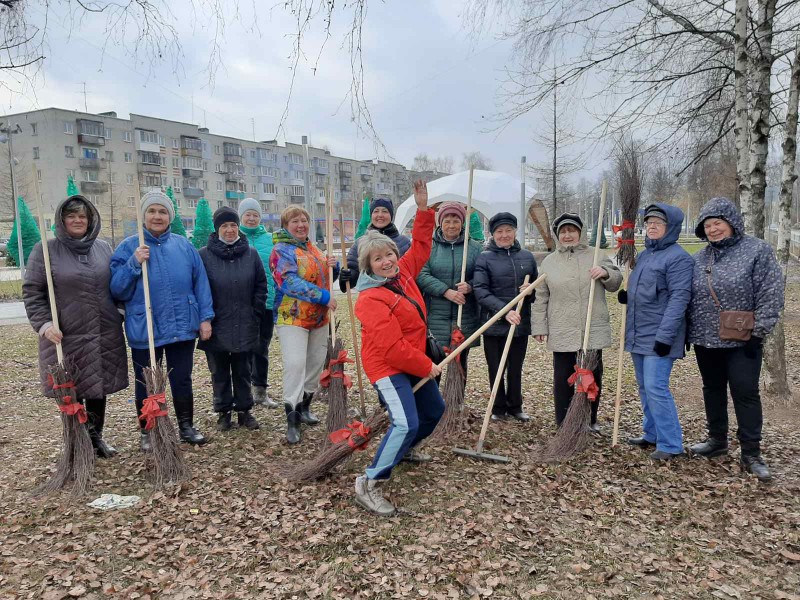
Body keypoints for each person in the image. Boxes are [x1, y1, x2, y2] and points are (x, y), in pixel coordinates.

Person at [353, 180, 444, 516]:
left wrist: (423, 210)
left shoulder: (403, 273)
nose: (387, 261)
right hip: (388, 368)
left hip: (413, 360)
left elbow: (420, 246)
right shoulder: (370, 299)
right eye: (378, 258)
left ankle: (403, 451)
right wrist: (425, 366)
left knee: (434, 411)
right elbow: (391, 349)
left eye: (389, 254)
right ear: (368, 265)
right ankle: (369, 481)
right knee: (405, 422)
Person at [23, 195, 129, 458]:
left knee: (98, 386)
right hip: (65, 334)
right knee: (70, 389)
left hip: (103, 331)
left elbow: (117, 284)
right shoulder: (45, 251)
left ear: (90, 219)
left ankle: (95, 439)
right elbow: (33, 292)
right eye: (71, 216)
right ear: (62, 220)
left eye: (82, 216)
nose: (78, 220)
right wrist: (44, 324)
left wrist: (120, 310)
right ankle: (76, 443)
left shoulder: (103, 248)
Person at [687, 197, 783, 482]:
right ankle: (717, 440)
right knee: (712, 389)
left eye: (718, 223)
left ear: (731, 222)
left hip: (743, 340)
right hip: (706, 338)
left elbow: (771, 292)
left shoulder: (757, 251)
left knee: (745, 392)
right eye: (708, 225)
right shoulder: (700, 258)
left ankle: (751, 452)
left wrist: (759, 332)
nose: (713, 229)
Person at [110, 191, 214, 450]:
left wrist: (205, 318)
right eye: (152, 211)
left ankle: (186, 426)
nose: (157, 216)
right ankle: (148, 430)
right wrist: (134, 263)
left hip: (181, 325)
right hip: (145, 327)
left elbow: (200, 283)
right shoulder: (128, 247)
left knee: (182, 378)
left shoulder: (183, 246)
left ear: (170, 216)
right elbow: (116, 289)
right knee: (146, 381)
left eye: (163, 211)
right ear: (143, 215)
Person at [532, 213, 622, 432]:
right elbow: (541, 296)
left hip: (591, 325)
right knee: (563, 375)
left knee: (592, 372)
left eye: (571, 230)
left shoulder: (596, 255)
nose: (567, 235)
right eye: (563, 231)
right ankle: (564, 421)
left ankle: (590, 419)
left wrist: (605, 272)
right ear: (557, 235)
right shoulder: (550, 262)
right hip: (561, 326)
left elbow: (615, 282)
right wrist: (539, 326)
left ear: (580, 233)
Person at [621, 203, 693, 460]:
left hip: (660, 337)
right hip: (639, 333)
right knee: (644, 386)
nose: (651, 227)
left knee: (656, 387)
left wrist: (665, 338)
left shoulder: (679, 258)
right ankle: (651, 433)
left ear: (670, 228)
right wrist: (627, 297)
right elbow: (649, 291)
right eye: (649, 223)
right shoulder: (645, 255)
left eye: (658, 223)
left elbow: (679, 299)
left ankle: (671, 444)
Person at [270, 206, 339, 444]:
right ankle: (292, 417)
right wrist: (324, 297)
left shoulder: (312, 248)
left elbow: (325, 277)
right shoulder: (281, 250)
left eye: (304, 220)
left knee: (314, 365)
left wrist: (334, 267)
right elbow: (289, 282)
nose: (301, 225)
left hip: (318, 319)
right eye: (295, 221)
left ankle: (306, 406)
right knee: (295, 364)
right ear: (285, 225)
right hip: (293, 318)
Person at [199, 207, 268, 432]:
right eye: (224, 226)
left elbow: (260, 285)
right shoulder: (204, 255)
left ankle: (244, 410)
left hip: (245, 321)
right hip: (216, 324)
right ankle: (223, 411)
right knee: (219, 371)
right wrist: (205, 319)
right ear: (217, 229)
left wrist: (255, 312)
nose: (229, 230)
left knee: (242, 369)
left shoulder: (251, 253)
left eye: (233, 225)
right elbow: (199, 289)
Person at [473, 212, 538, 422]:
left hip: (519, 322)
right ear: (492, 234)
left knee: (515, 367)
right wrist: (505, 311)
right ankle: (498, 407)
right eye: (499, 231)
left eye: (508, 230)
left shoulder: (527, 257)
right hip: (494, 322)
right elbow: (481, 291)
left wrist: (530, 291)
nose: (504, 235)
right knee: (495, 366)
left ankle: (515, 406)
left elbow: (535, 292)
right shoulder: (484, 258)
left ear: (515, 231)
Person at [416, 201, 483, 375]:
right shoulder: (429, 247)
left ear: (462, 223)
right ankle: (434, 399)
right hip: (436, 314)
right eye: (447, 220)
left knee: (461, 360)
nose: (451, 225)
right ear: (440, 222)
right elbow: (421, 274)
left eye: (456, 220)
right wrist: (446, 291)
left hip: (464, 314)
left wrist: (470, 286)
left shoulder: (474, 248)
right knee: (434, 358)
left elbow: (484, 275)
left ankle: (456, 397)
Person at [238, 198, 278, 408]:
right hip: (242, 304)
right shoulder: (235, 238)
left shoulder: (270, 239)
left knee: (262, 347)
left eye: (255, 215)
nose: (251, 218)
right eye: (248, 215)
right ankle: (243, 392)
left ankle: (260, 390)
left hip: (267, 302)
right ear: (241, 216)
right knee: (243, 348)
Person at [339, 198, 410, 292]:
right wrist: (346, 276)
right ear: (371, 215)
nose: (380, 215)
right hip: (372, 297)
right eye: (376, 211)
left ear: (391, 215)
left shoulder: (404, 242)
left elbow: (413, 271)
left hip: (401, 294)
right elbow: (353, 270)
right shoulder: (361, 243)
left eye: (385, 211)